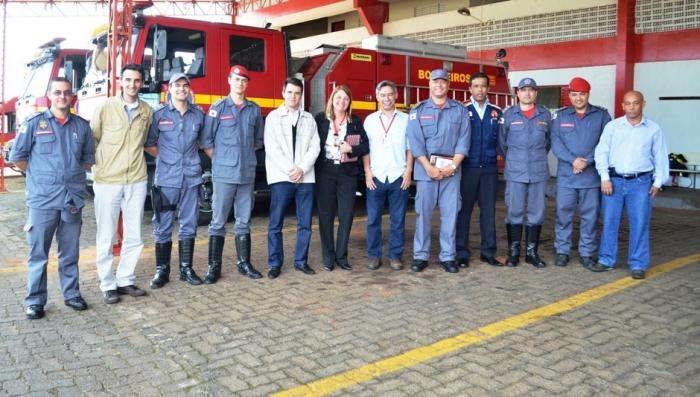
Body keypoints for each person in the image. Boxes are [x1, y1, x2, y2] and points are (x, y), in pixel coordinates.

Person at [10, 77, 95, 319]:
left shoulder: (81, 126)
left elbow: (88, 159)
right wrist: (41, 177)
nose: (62, 97)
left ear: (72, 96)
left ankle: (72, 295)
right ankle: (35, 301)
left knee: (70, 252)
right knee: (38, 254)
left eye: (67, 93)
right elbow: (19, 158)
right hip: (43, 200)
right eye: (57, 92)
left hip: (71, 200)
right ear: (50, 95)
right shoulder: (34, 124)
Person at [91, 64, 152, 304]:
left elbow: (144, 141)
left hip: (136, 179)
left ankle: (125, 279)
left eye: (137, 81)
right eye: (128, 80)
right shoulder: (105, 107)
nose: (132, 85)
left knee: (134, 234)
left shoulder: (147, 111)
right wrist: (98, 169)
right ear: (120, 81)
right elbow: (94, 137)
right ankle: (107, 284)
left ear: (141, 83)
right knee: (106, 235)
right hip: (108, 180)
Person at [591, 90, 669, 279]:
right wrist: (604, 178)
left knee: (640, 223)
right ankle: (606, 260)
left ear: (643, 104)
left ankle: (638, 264)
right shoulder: (613, 127)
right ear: (622, 105)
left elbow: (661, 156)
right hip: (613, 182)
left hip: (641, 183)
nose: (632, 107)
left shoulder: (653, 129)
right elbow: (601, 152)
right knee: (609, 222)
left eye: (635, 103)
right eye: (628, 103)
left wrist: (658, 182)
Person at [200, 65, 264, 283]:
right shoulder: (218, 107)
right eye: (236, 79)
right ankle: (214, 267)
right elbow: (206, 140)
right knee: (217, 222)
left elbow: (257, 141)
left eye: (244, 80)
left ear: (247, 84)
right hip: (224, 174)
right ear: (229, 81)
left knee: (244, 221)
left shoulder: (254, 110)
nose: (240, 83)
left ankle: (244, 264)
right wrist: (220, 160)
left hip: (246, 174)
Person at [144, 73, 205, 288]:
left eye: (185, 86)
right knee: (163, 225)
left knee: (189, 223)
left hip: (191, 177)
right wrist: (167, 158)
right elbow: (150, 144)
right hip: (167, 178)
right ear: (169, 88)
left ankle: (186, 269)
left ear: (189, 89)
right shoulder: (159, 115)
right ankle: (162, 270)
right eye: (176, 85)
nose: (181, 89)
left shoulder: (198, 115)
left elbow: (203, 141)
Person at [407, 69, 470, 273]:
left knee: (450, 216)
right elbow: (415, 143)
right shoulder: (418, 111)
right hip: (426, 172)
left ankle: (447, 256)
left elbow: (463, 141)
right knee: (423, 215)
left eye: (443, 82)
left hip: (452, 173)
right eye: (436, 82)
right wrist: (428, 168)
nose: (439, 85)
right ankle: (420, 256)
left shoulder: (460, 111)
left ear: (448, 85)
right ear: (429, 84)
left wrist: (452, 167)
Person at [551, 77, 611, 268]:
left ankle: (586, 253)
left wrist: (587, 161)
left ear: (588, 94)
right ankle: (562, 251)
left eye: (582, 94)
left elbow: (606, 143)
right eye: (574, 94)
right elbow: (555, 142)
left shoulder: (601, 116)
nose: (578, 98)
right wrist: (573, 160)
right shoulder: (560, 116)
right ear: (569, 95)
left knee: (590, 217)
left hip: (590, 178)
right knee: (563, 215)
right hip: (567, 177)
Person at [264, 77, 321, 279]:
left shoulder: (309, 119)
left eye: (297, 93)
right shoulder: (272, 117)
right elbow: (272, 149)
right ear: (283, 93)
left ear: (301, 95)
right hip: (282, 177)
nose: (293, 96)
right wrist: (292, 169)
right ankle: (274, 264)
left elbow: (315, 147)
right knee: (276, 222)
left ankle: (300, 262)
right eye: (290, 92)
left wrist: (302, 169)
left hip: (305, 179)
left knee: (304, 223)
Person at [314, 85, 369, 271]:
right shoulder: (320, 119)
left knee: (346, 215)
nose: (341, 102)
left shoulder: (355, 122)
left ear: (349, 102)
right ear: (332, 99)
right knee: (326, 215)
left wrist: (351, 149)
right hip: (325, 172)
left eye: (345, 99)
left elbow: (366, 146)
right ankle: (328, 257)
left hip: (347, 174)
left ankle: (341, 256)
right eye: (338, 98)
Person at [499, 77, 551, 268]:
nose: (527, 93)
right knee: (515, 211)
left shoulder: (544, 115)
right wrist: (517, 158)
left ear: (536, 93)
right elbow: (502, 143)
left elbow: (548, 142)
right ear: (518, 93)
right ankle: (514, 253)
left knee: (537, 212)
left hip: (538, 170)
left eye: (531, 90)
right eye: (523, 90)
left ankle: (531, 252)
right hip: (515, 171)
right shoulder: (509, 115)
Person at [363, 80, 412, 271]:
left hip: (398, 175)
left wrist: (408, 171)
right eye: (383, 95)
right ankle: (374, 256)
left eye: (390, 94)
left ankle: (395, 256)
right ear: (377, 97)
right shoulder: (370, 120)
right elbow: (365, 149)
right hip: (376, 177)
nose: (387, 98)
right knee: (373, 219)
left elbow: (411, 148)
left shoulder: (406, 120)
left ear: (396, 96)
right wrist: (367, 172)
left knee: (398, 220)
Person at [456, 72, 504, 268]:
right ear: (470, 89)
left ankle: (488, 252)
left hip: (490, 169)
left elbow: (502, 139)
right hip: (468, 168)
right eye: (476, 86)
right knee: (463, 211)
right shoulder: (462, 110)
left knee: (488, 212)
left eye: (483, 86)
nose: (480, 90)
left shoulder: (497, 112)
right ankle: (461, 253)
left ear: (488, 89)